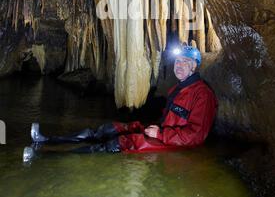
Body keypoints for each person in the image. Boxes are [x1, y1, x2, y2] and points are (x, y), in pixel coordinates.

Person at [23, 44, 218, 162]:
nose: (179, 66)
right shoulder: (177, 89)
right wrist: (152, 127)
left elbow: (196, 136)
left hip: (175, 144)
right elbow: (168, 118)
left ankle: (47, 156)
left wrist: (160, 134)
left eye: (184, 62)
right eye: (177, 62)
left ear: (194, 66)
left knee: (119, 143)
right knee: (107, 130)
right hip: (162, 132)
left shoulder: (203, 95)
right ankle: (46, 140)